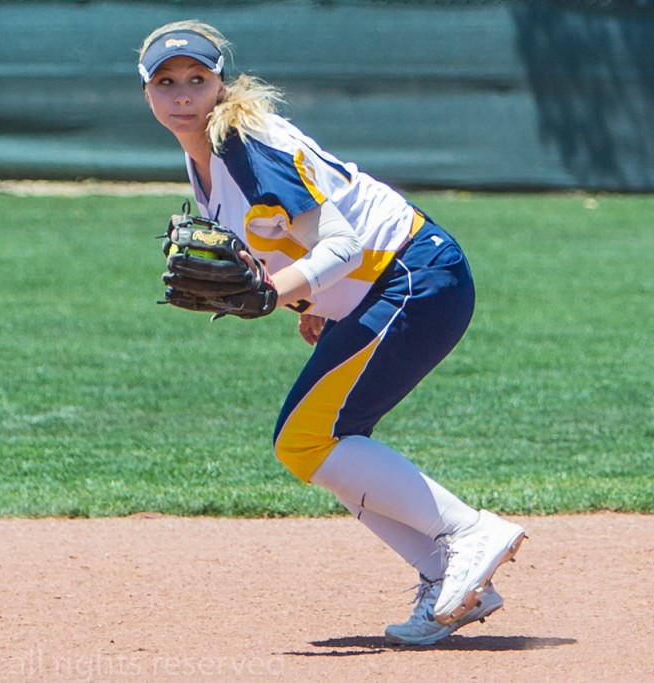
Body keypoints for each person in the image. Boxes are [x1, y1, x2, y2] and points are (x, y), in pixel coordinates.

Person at [138, 20, 526, 645]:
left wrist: (274, 292)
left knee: (305, 436)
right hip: (398, 283)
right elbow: (290, 241)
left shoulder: (238, 140)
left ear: (219, 84)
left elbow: (342, 244)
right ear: (147, 93)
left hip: (413, 275)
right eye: (166, 82)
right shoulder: (204, 156)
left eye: (196, 79)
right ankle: (446, 579)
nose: (182, 93)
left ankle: (468, 534)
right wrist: (312, 306)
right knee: (317, 445)